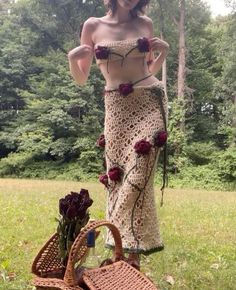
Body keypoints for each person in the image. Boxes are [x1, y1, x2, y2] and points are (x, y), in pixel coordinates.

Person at [67, 0, 169, 270]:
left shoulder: (144, 24)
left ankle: (122, 247)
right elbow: (81, 77)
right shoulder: (93, 25)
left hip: (149, 101)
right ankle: (124, 252)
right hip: (116, 108)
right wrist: (71, 59)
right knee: (118, 176)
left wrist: (163, 54)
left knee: (139, 173)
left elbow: (149, 70)